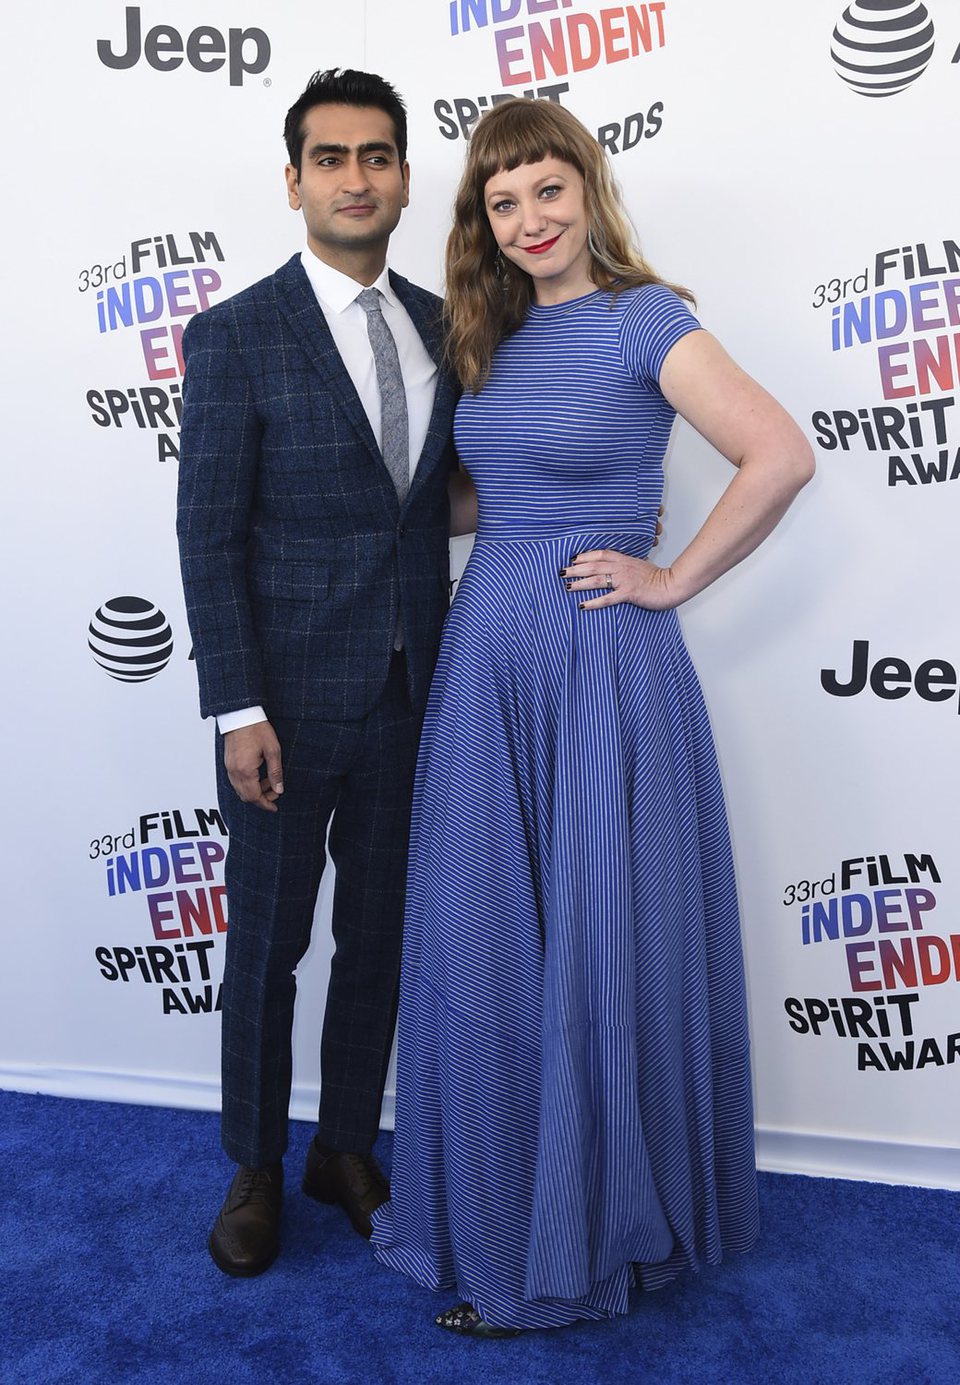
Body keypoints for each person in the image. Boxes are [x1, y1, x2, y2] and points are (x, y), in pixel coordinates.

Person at [371, 99, 815, 1333]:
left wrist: (669, 577)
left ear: (590, 189)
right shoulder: (489, 336)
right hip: (490, 663)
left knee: (594, 947)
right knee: (488, 937)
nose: (528, 219)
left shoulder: (645, 318)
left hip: (596, 668)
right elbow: (489, 497)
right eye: (502, 201)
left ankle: (570, 1259)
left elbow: (777, 453)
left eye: (546, 190)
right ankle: (504, 1211)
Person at [176, 68, 462, 1278]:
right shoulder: (236, 332)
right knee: (266, 949)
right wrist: (238, 705)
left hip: (419, 690)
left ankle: (343, 1146)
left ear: (404, 177)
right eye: (332, 157)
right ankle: (252, 1163)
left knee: (380, 941)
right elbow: (209, 529)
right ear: (294, 180)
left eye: (379, 155)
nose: (358, 177)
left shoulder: (450, 324)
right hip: (281, 708)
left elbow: (427, 503)